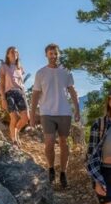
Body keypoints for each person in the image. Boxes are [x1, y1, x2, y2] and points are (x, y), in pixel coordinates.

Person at [29, 43, 80, 189]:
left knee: (64, 143)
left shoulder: (66, 72)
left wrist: (77, 109)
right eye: (51, 54)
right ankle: (51, 168)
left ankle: (63, 172)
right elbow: (35, 95)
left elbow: (72, 91)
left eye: (56, 53)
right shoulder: (41, 73)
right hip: (47, 113)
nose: (54, 56)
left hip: (64, 112)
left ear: (59, 54)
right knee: (49, 142)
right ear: (46, 55)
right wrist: (32, 115)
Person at [0, 46, 30, 146]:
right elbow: (2, 84)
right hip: (9, 93)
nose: (14, 54)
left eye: (16, 52)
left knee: (25, 118)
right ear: (7, 54)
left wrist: (26, 98)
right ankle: (14, 140)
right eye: (12, 52)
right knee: (14, 118)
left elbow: (22, 85)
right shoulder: (4, 66)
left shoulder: (20, 68)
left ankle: (16, 131)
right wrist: (2, 98)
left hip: (20, 93)